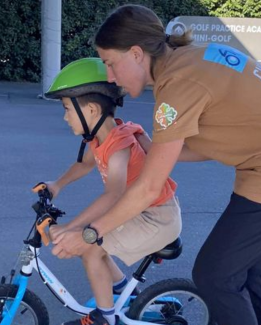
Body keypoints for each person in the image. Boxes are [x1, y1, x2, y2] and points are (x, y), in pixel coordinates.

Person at [51, 5, 261, 325]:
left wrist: (90, 234)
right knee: (249, 268)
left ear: (135, 53)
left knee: (216, 275)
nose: (109, 76)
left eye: (110, 63)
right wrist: (158, 147)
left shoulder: (177, 85)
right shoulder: (188, 61)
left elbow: (148, 188)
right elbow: (210, 143)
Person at [42, 57, 182, 325]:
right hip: (139, 210)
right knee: (92, 242)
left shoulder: (119, 144)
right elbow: (84, 164)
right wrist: (56, 185)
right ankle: (124, 295)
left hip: (156, 218)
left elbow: (113, 194)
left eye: (67, 109)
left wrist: (73, 227)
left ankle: (106, 319)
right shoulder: (100, 138)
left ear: (91, 110)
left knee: (91, 248)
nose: (65, 117)